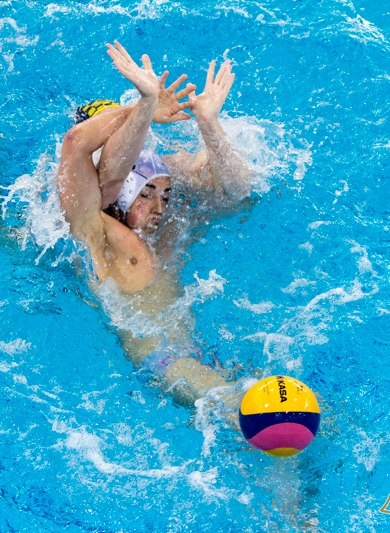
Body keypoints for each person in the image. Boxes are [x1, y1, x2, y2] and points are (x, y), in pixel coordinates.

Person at [56, 41, 252, 407]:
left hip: (198, 349)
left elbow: (238, 192)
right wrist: (142, 105)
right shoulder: (93, 231)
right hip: (163, 363)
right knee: (252, 420)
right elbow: (79, 146)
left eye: (161, 194)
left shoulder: (166, 204)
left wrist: (209, 125)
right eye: (146, 194)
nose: (159, 205)